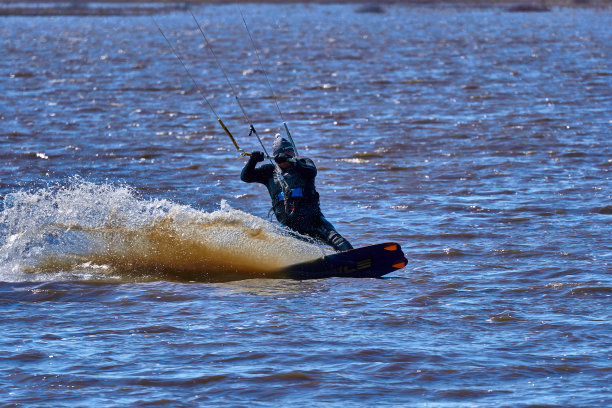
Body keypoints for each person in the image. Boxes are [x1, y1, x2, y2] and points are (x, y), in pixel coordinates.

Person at [241, 136, 353, 252]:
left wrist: (294, 161)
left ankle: (353, 257)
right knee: (278, 245)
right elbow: (245, 177)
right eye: (286, 152)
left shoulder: (303, 163)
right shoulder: (268, 171)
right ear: (277, 156)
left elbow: (311, 172)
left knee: (335, 238)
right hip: (288, 226)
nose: (290, 154)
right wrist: (252, 161)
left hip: (313, 219)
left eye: (291, 151)